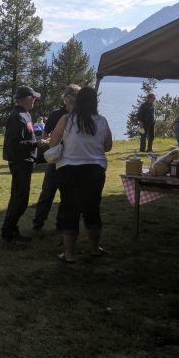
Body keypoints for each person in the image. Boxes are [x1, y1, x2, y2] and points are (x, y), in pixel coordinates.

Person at [49, 87, 112, 263]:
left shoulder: (67, 119)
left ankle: (69, 254)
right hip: (95, 170)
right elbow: (108, 147)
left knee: (70, 209)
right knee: (92, 209)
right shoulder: (102, 121)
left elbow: (53, 143)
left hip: (69, 169)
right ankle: (94, 249)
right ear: (95, 102)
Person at [32, 84, 80, 232]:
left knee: (67, 195)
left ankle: (61, 224)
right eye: (69, 95)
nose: (70, 98)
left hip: (72, 161)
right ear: (64, 98)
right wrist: (52, 146)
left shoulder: (81, 115)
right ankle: (38, 224)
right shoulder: (56, 114)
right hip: (56, 160)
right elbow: (46, 134)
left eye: (74, 95)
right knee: (47, 193)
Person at [1, 86, 40, 247]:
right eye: (33, 97)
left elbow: (26, 137)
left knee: (18, 197)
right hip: (20, 162)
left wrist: (35, 141)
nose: (35, 100)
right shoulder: (16, 116)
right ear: (25, 98)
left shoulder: (25, 114)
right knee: (20, 199)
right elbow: (14, 144)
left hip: (25, 161)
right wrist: (36, 143)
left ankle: (10, 230)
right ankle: (8, 234)